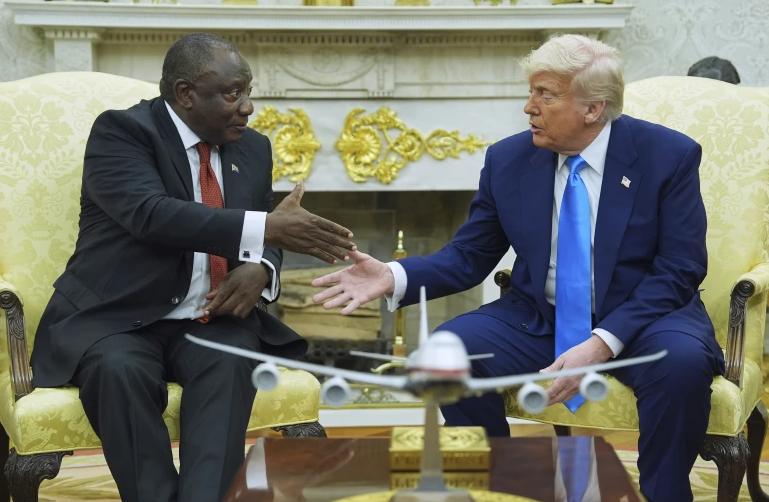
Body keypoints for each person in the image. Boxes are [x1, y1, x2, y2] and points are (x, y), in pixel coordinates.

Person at [311, 34, 724, 502]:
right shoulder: (508, 159)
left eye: (545, 95)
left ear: (593, 109)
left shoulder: (667, 156)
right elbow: (469, 255)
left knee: (681, 365)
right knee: (452, 352)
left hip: (646, 317)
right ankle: (497, 487)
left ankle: (665, 493)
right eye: (531, 92)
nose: (529, 107)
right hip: (539, 317)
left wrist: (601, 343)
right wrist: (393, 275)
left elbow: (680, 268)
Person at [30, 33, 357, 502]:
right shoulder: (123, 133)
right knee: (118, 370)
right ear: (185, 93)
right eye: (232, 93)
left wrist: (262, 268)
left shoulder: (253, 148)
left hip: (213, 318)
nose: (247, 107)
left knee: (231, 361)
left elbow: (266, 229)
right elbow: (151, 214)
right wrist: (266, 230)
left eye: (248, 91)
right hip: (118, 317)